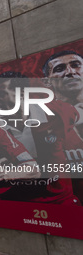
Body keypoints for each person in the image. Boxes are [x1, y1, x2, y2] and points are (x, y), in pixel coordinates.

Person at [0, 71, 80, 204]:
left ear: (21, 93)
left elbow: (77, 117)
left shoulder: (57, 112)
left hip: (60, 199)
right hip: (22, 201)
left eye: (0, 94)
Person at [42, 51, 83, 203]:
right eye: (60, 69)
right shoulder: (41, 120)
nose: (70, 72)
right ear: (46, 82)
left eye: (76, 65)